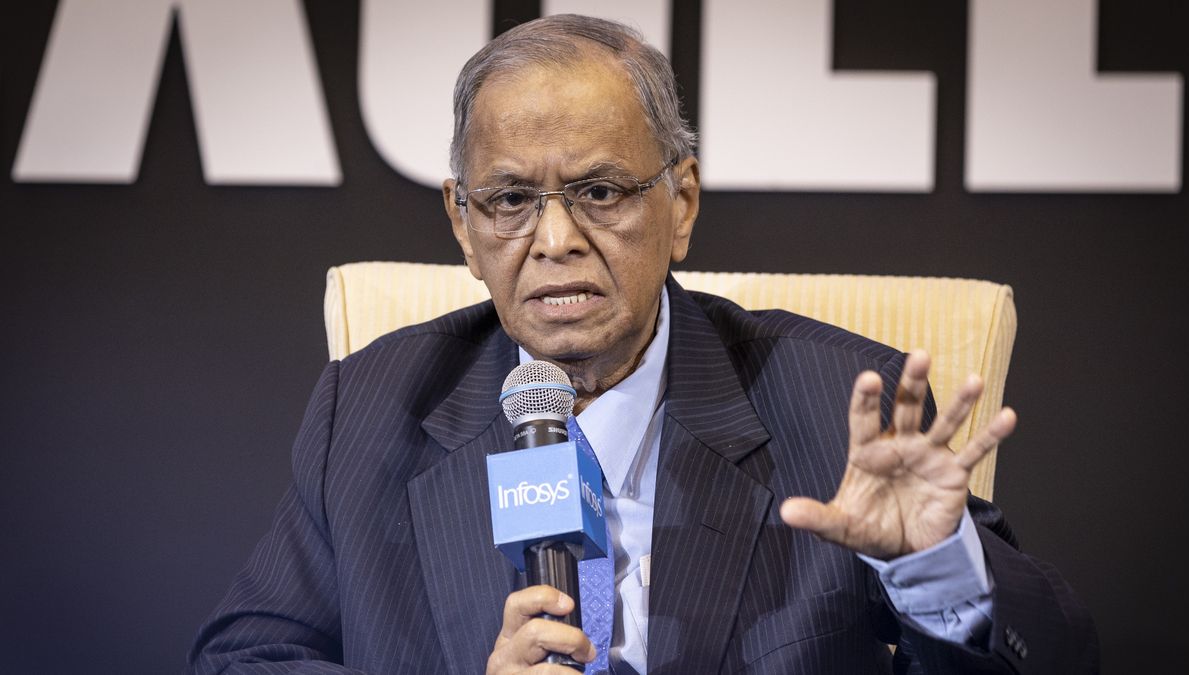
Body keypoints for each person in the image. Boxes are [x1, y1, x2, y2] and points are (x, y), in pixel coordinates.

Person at [189, 14, 1097, 674]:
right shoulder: (372, 406)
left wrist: (932, 569)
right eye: (509, 200)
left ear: (683, 204)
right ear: (462, 226)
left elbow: (1059, 658)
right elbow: (243, 659)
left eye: (601, 190)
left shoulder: (839, 406)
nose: (553, 240)